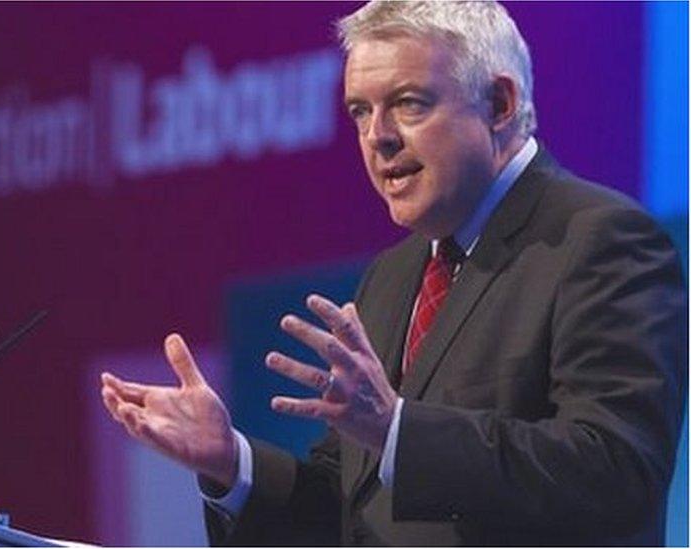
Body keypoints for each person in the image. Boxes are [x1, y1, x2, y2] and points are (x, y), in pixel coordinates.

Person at [100, 1, 687, 545]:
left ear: (500, 104)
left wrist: (398, 430)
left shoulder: (599, 239)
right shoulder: (394, 273)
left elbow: (617, 472)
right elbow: (349, 507)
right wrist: (231, 463)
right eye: (360, 110)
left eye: (409, 102)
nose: (377, 137)